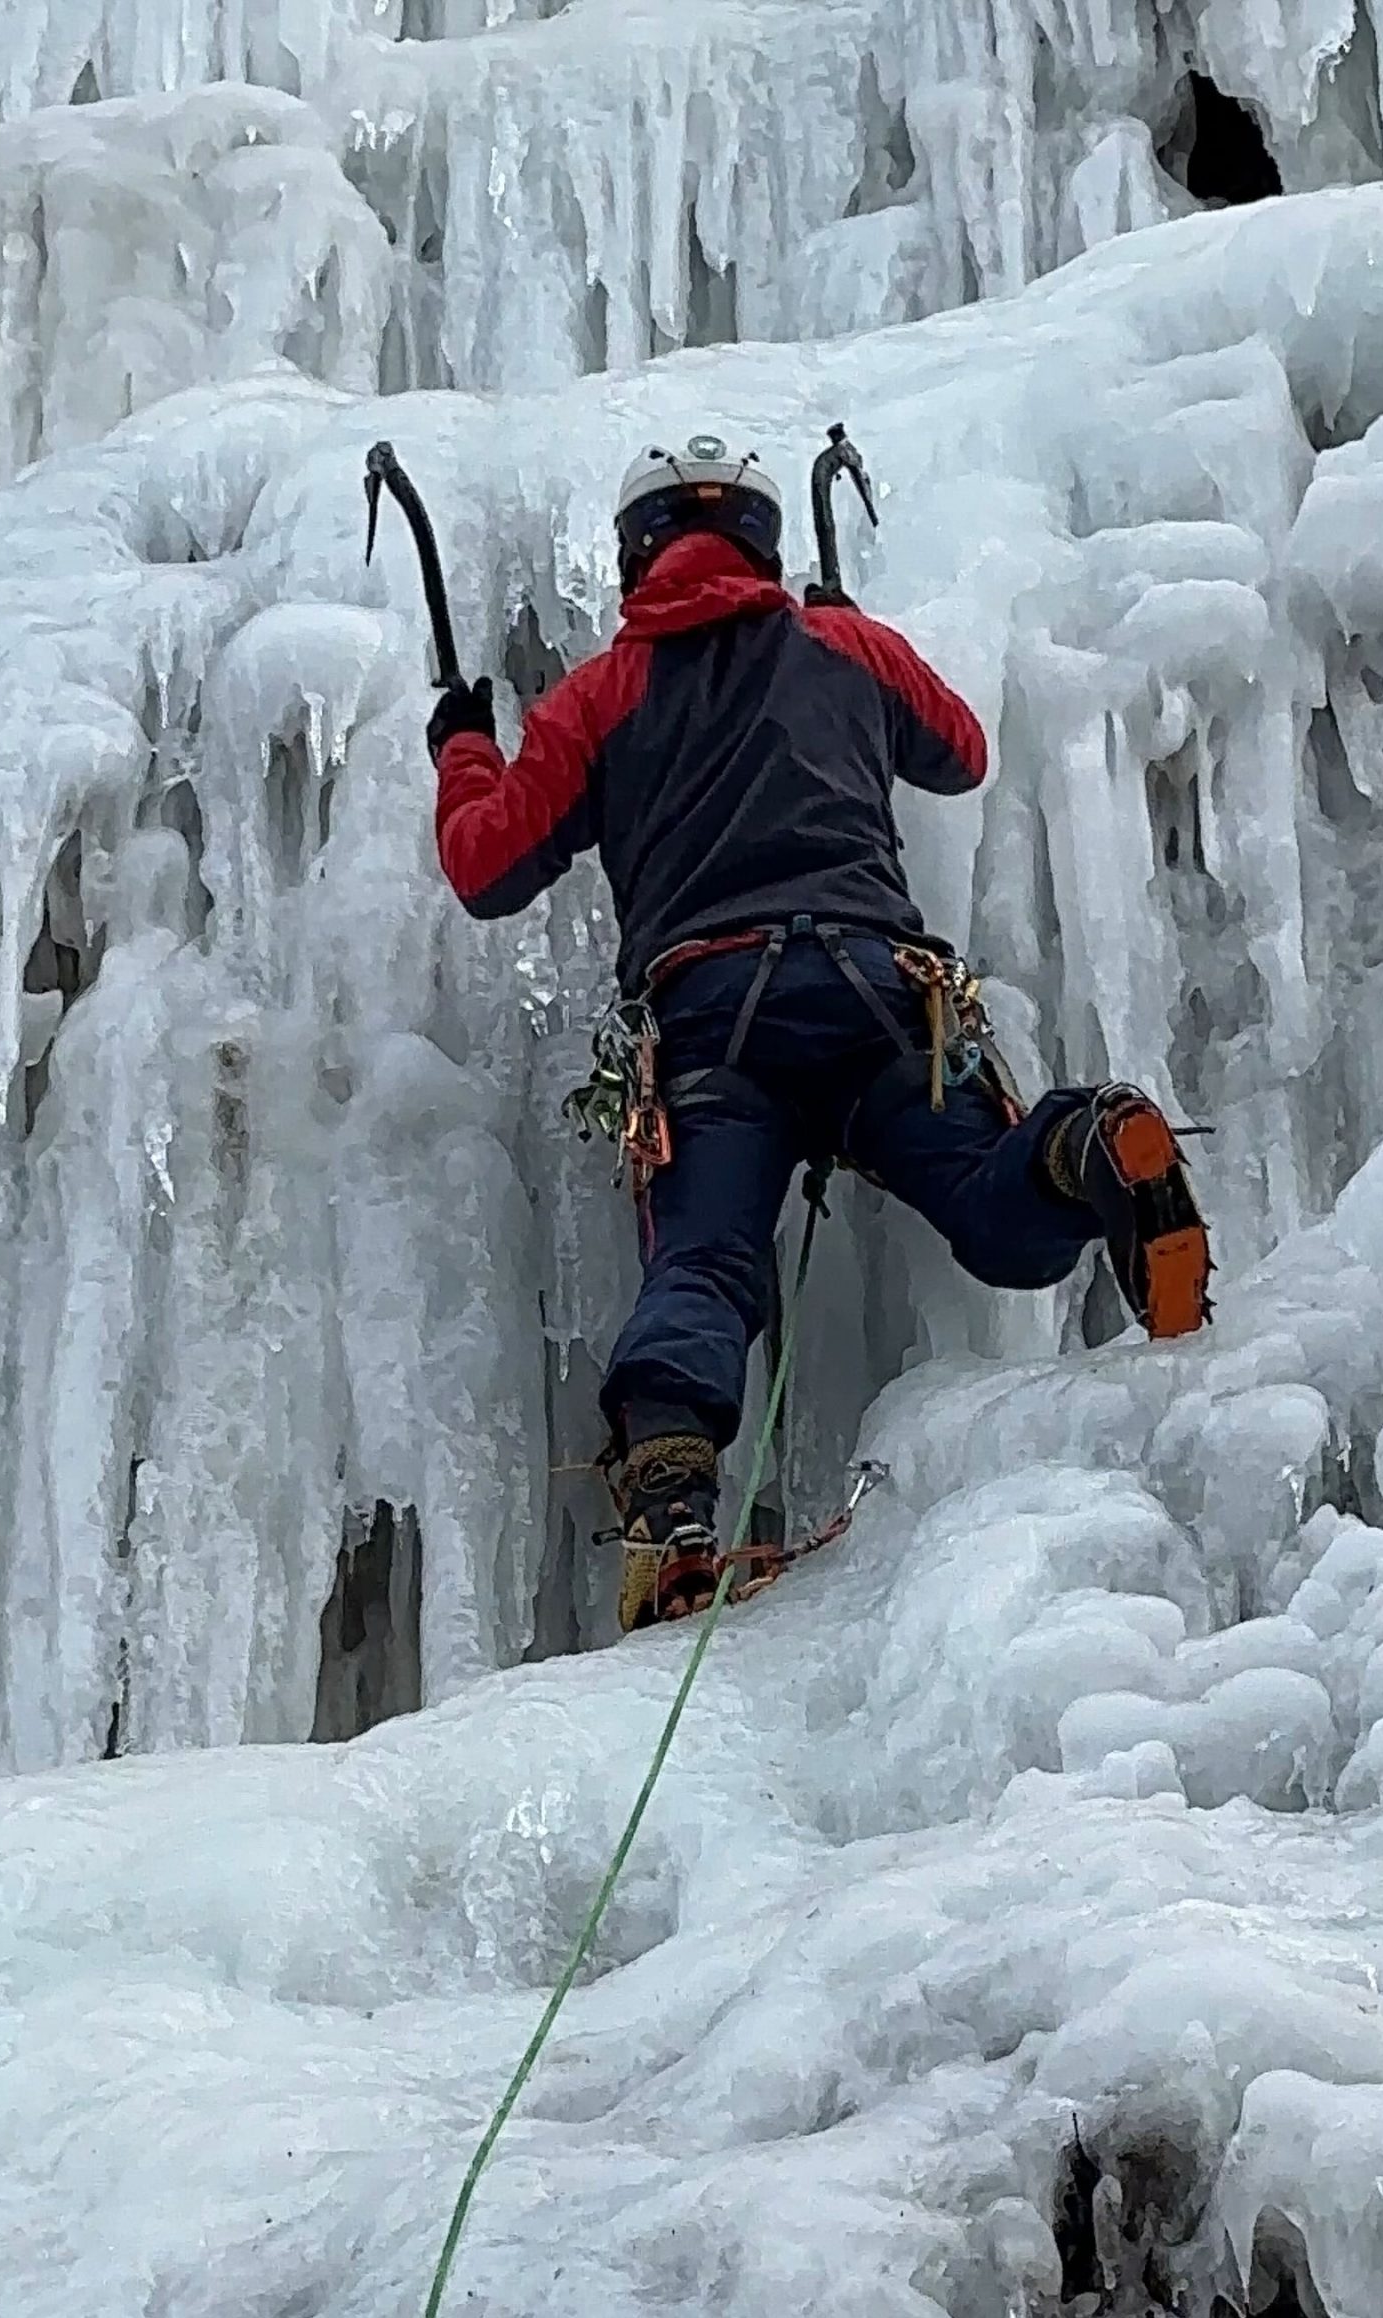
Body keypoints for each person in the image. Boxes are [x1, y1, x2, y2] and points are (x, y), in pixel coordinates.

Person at [427, 433, 1210, 1632]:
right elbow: (962, 752)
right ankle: (1089, 1146)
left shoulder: (604, 693)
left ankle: (676, 1508)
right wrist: (860, 628)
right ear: (763, 544)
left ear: (638, 557)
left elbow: (487, 867)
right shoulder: (837, 646)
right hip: (878, 998)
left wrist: (465, 749)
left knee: (705, 1263)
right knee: (999, 1215)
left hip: (714, 1026)